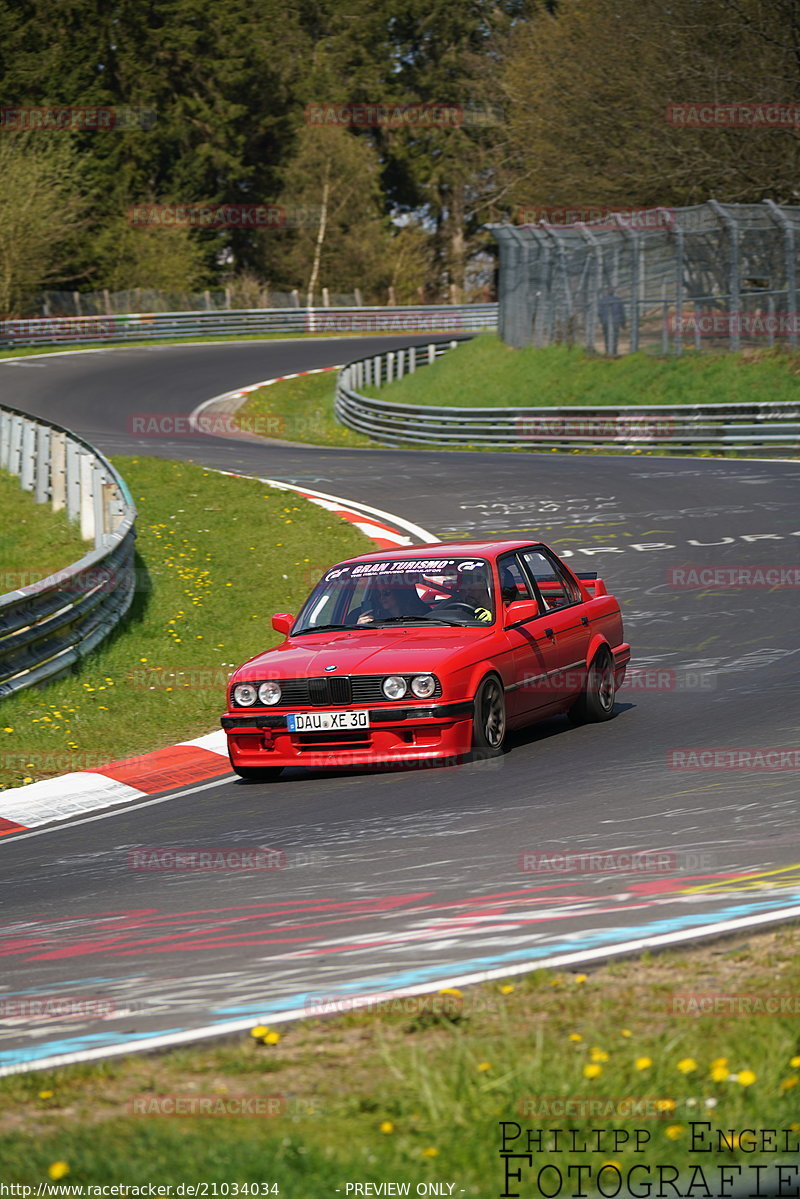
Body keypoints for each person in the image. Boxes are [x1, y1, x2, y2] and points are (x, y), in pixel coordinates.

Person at [353, 578, 429, 625]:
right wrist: (359, 627)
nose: (382, 597)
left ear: (397, 593)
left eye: (386, 593)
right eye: (378, 595)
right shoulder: (373, 618)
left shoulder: (421, 615)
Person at [597, 286, 626, 356]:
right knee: (615, 336)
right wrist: (623, 323)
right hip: (616, 321)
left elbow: (599, 313)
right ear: (613, 292)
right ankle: (614, 350)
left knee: (606, 336)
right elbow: (622, 312)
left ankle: (607, 350)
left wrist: (601, 321)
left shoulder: (602, 300)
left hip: (605, 321)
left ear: (606, 292)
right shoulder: (618, 300)